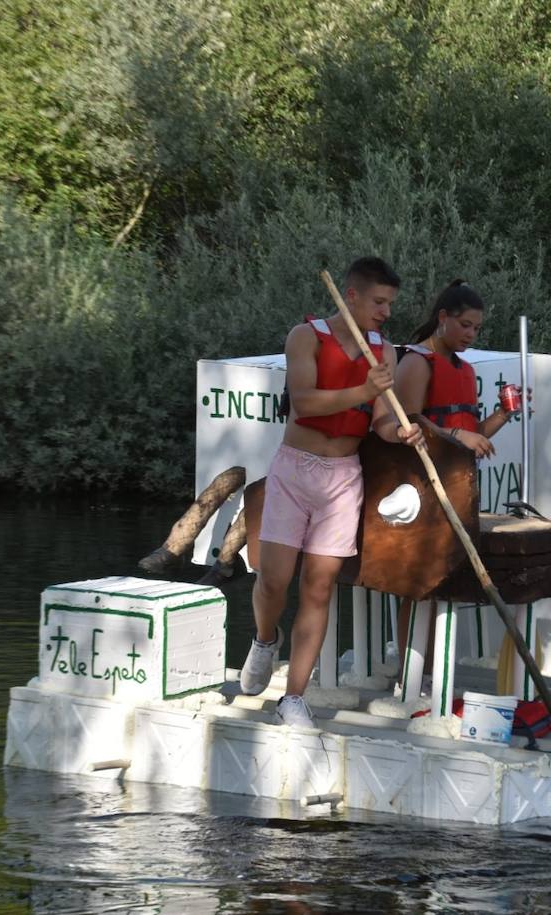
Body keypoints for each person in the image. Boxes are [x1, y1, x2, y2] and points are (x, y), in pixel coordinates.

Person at [237, 257, 422, 727]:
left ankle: (293, 697)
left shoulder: (385, 352)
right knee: (273, 579)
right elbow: (305, 402)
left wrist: (401, 432)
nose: (385, 312)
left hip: (343, 475)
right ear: (352, 295)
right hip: (294, 469)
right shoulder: (306, 337)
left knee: (318, 586)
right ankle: (264, 639)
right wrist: (364, 389)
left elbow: (380, 419)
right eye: (379, 302)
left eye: (390, 304)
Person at [373, 279, 520, 692]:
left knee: (443, 583)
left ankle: (432, 673)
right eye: (466, 325)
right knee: (418, 584)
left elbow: (471, 430)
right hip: (421, 485)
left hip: (458, 485)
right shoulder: (417, 362)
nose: (472, 334)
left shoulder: (466, 369)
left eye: (477, 328)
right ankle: (410, 675)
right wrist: (460, 437)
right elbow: (410, 419)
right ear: (443, 318)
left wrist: (505, 414)